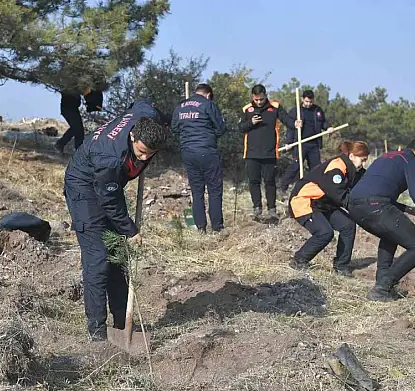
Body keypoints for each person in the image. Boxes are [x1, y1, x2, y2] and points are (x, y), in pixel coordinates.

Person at [63, 99, 170, 341]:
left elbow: (142, 103)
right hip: (84, 188)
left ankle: (123, 324)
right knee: (98, 258)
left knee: (117, 255)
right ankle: (97, 331)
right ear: (132, 136)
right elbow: (109, 200)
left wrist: (167, 123)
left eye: (149, 155)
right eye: (141, 152)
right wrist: (131, 231)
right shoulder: (108, 157)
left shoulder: (146, 117)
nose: (143, 159)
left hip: (107, 187)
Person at [347, 139, 415, 302]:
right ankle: (383, 287)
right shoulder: (413, 161)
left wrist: (410, 210)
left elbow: (378, 192)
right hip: (376, 204)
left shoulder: (386, 157)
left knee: (390, 235)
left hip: (355, 206)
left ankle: (381, 283)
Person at [288, 141, 370, 276]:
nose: (363, 164)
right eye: (362, 160)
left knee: (348, 225)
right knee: (325, 232)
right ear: (351, 156)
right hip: (304, 201)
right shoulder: (337, 168)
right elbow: (339, 195)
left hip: (323, 204)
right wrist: (360, 210)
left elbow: (367, 182)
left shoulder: (353, 169)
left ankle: (341, 266)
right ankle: (299, 260)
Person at [238, 84, 300, 220]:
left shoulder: (275, 107)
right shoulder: (247, 109)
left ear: (265, 95)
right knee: (254, 182)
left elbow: (286, 119)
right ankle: (257, 209)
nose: (259, 102)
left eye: (261, 99)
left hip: (270, 152)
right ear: (252, 98)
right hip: (251, 153)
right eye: (256, 100)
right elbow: (241, 127)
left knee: (270, 182)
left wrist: (295, 123)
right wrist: (251, 122)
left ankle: (272, 210)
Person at [170, 83, 226, 233]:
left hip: (188, 153)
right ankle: (217, 227)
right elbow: (221, 128)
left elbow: (174, 128)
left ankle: (201, 227)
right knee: (214, 189)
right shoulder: (208, 105)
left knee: (197, 191)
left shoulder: (180, 106)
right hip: (207, 151)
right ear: (208, 95)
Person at [280, 90, 335, 193]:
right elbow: (290, 128)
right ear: (302, 99)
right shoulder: (295, 111)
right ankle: (283, 188)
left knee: (316, 169)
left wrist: (328, 127)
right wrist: (288, 142)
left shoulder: (317, 110)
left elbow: (323, 122)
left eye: (310, 102)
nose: (308, 104)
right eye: (306, 101)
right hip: (300, 144)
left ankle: (314, 191)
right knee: (295, 166)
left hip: (314, 144)